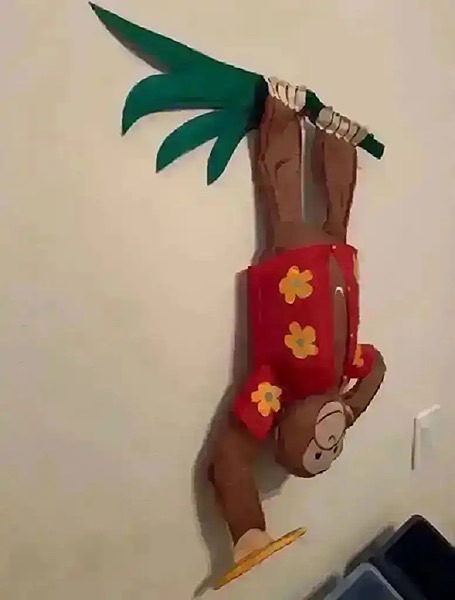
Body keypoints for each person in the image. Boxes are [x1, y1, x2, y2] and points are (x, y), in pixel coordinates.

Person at [208, 92, 386, 580]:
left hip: (291, 256)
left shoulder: (274, 388)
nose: (328, 437)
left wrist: (247, 530)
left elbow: (228, 457)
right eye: (334, 443)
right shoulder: (341, 374)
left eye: (318, 445)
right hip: (336, 255)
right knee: (335, 209)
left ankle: (282, 116)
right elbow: (377, 366)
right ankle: (336, 139)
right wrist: (351, 407)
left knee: (283, 198)